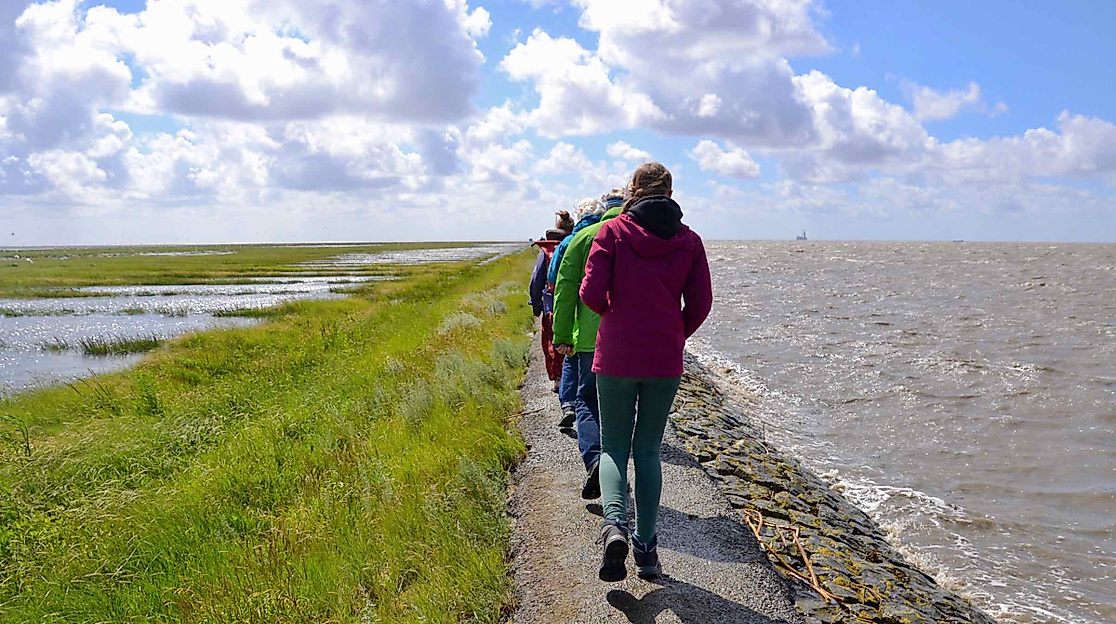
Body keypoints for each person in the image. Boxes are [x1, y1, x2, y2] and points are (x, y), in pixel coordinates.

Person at [580, 163, 712, 582]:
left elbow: (589, 293)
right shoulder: (689, 240)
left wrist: (617, 319)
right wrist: (674, 331)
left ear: (633, 190)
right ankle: (647, 547)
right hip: (663, 357)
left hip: (617, 354)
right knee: (649, 449)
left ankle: (615, 526)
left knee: (614, 446)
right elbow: (702, 303)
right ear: (671, 192)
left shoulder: (612, 232)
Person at [552, 196, 625, 500]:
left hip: (588, 338)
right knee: (620, 408)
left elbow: (565, 289)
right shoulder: (632, 231)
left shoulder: (581, 239)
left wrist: (562, 335)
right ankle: (615, 469)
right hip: (628, 336)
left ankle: (595, 460)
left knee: (587, 401)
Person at [549, 195, 613, 428]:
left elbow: (557, 280)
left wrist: (561, 333)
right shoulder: (616, 232)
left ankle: (568, 404)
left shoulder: (573, 240)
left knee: (571, 361)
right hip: (610, 323)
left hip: (578, 315)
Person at [528, 211, 573, 392]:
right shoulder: (572, 246)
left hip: (550, 305)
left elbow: (536, 280)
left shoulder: (546, 250)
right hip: (570, 302)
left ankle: (557, 380)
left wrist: (536, 304)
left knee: (550, 342)